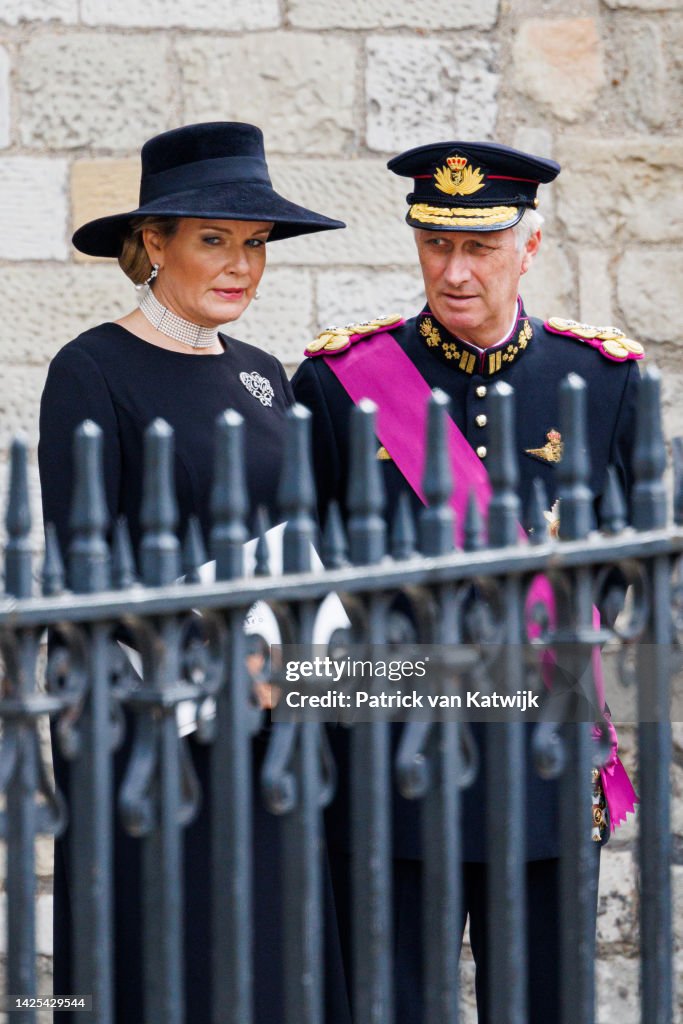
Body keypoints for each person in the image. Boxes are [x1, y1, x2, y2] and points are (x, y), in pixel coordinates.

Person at [291, 140, 642, 1022]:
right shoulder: (338, 385)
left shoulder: (602, 379)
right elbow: (304, 581)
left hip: (543, 762)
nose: (453, 271)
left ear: (528, 246)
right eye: (434, 244)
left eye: (479, 247)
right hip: (389, 763)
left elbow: (630, 567)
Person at [38, 121, 349, 1024]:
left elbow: (303, 542)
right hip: (148, 728)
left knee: (272, 958)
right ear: (150, 244)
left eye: (254, 245)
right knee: (177, 962)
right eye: (214, 239)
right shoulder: (92, 367)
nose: (241, 266)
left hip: (275, 714)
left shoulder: (262, 374)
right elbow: (83, 567)